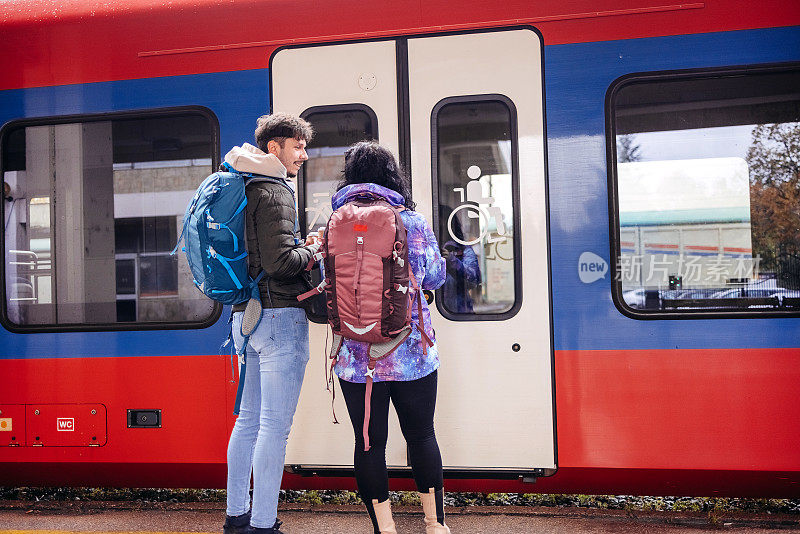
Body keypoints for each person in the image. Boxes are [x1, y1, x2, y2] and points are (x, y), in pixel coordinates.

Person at [331, 141, 451, 534]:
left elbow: (327, 284)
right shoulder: (410, 221)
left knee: (369, 444)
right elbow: (434, 276)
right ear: (391, 175)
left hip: (356, 359)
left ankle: (385, 528)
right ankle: (434, 525)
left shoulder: (334, 222)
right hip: (412, 352)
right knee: (421, 435)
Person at [223, 113, 320, 534]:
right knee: (274, 429)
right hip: (279, 316)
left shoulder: (239, 185)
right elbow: (282, 263)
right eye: (297, 146)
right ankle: (263, 524)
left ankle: (236, 517)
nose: (304, 154)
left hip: (246, 317)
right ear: (273, 148)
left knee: (247, 421)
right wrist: (312, 249)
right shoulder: (274, 190)